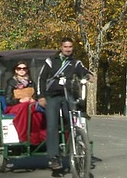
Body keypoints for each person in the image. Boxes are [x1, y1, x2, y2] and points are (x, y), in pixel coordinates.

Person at [37, 37, 95, 171]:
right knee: (52, 125)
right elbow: (41, 78)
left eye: (70, 47)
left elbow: (83, 71)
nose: (68, 49)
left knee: (74, 122)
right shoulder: (51, 61)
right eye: (65, 47)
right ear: (61, 47)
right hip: (52, 96)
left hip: (67, 95)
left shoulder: (75, 62)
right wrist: (41, 97)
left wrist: (89, 76)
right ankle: (53, 157)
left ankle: (75, 147)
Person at [4, 61, 46, 144]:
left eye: (24, 68)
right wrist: (19, 100)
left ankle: (37, 136)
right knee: (25, 106)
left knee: (36, 109)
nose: (21, 70)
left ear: (27, 70)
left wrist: (33, 100)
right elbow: (8, 100)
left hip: (30, 104)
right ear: (16, 71)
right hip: (15, 105)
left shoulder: (31, 82)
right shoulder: (11, 82)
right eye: (19, 68)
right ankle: (24, 136)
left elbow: (36, 96)